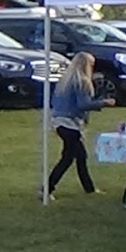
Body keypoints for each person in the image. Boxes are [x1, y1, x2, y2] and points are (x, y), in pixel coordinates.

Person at [45, 52, 115, 200]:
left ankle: (89, 188)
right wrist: (104, 102)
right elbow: (83, 105)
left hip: (59, 122)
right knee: (68, 158)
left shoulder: (65, 81)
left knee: (80, 157)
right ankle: (47, 188)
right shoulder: (82, 81)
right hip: (71, 124)